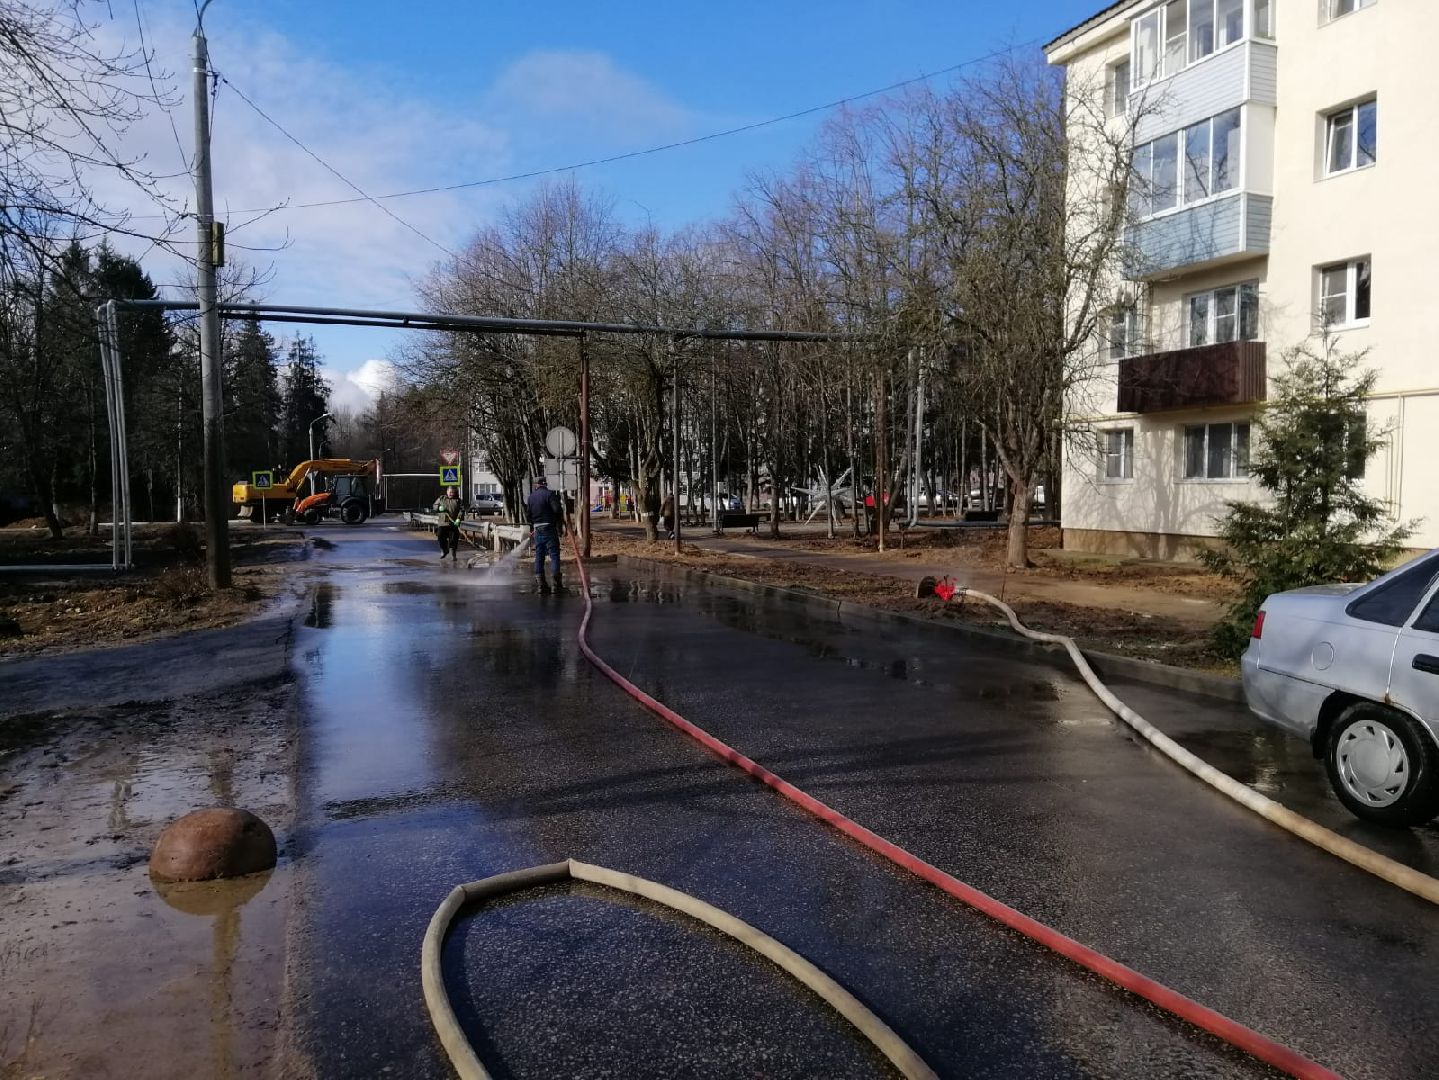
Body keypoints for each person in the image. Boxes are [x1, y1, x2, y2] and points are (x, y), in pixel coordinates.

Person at [525, 476, 567, 594]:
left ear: (536, 485)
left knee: (539, 555)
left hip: (537, 529)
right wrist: (559, 520)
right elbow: (557, 510)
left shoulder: (531, 497)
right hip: (549, 528)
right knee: (554, 554)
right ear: (545, 484)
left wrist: (533, 525)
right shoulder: (550, 494)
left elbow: (528, 515)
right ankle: (556, 585)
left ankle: (541, 586)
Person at [432, 487, 463, 561]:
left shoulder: (458, 500)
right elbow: (434, 506)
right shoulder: (441, 498)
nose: (451, 494)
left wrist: (458, 519)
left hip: (453, 523)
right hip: (443, 523)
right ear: (447, 492)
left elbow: (461, 510)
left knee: (453, 539)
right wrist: (439, 508)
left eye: (453, 492)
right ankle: (444, 550)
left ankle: (453, 554)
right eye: (450, 492)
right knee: (440, 536)